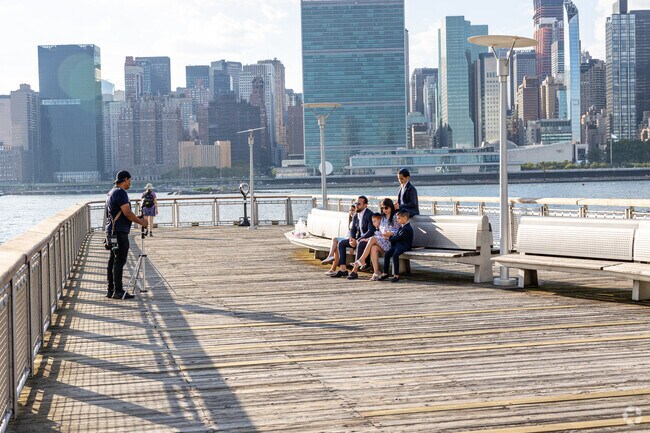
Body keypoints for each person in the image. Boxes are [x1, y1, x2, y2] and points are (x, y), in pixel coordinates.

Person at [106, 170, 148, 299]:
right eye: (130, 180)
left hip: (112, 231)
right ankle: (118, 291)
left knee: (113, 259)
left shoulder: (111, 192)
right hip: (120, 233)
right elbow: (127, 213)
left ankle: (111, 289)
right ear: (125, 179)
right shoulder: (121, 193)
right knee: (120, 260)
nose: (130, 183)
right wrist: (142, 222)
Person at [348, 198, 398, 280]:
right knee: (373, 248)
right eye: (383, 208)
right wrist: (367, 240)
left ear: (391, 207)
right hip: (383, 240)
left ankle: (361, 260)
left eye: (386, 208)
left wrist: (390, 233)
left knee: (372, 239)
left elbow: (398, 231)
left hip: (390, 241)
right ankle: (376, 272)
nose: (384, 210)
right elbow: (379, 231)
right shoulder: (383, 218)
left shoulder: (395, 217)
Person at [330, 196, 374, 278]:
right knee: (341, 243)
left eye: (359, 204)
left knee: (360, 244)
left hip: (367, 240)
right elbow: (352, 229)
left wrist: (358, 240)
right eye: (356, 203)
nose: (357, 205)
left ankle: (354, 271)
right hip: (358, 239)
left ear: (365, 205)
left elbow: (371, 231)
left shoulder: (370, 214)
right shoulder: (355, 215)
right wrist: (352, 239)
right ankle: (343, 269)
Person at [379, 209, 414, 283]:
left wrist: (389, 238)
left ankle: (396, 275)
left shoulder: (407, 228)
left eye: (399, 218)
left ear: (405, 218)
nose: (397, 220)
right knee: (388, 254)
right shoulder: (402, 227)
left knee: (395, 255)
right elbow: (397, 237)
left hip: (404, 246)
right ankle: (385, 273)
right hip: (398, 245)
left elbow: (399, 237)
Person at [323, 204, 356, 276]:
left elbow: (357, 235)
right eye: (350, 210)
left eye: (353, 210)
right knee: (337, 246)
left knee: (335, 240)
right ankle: (333, 268)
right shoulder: (351, 220)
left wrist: (353, 247)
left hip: (350, 240)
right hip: (347, 238)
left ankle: (331, 260)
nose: (351, 212)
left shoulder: (357, 220)